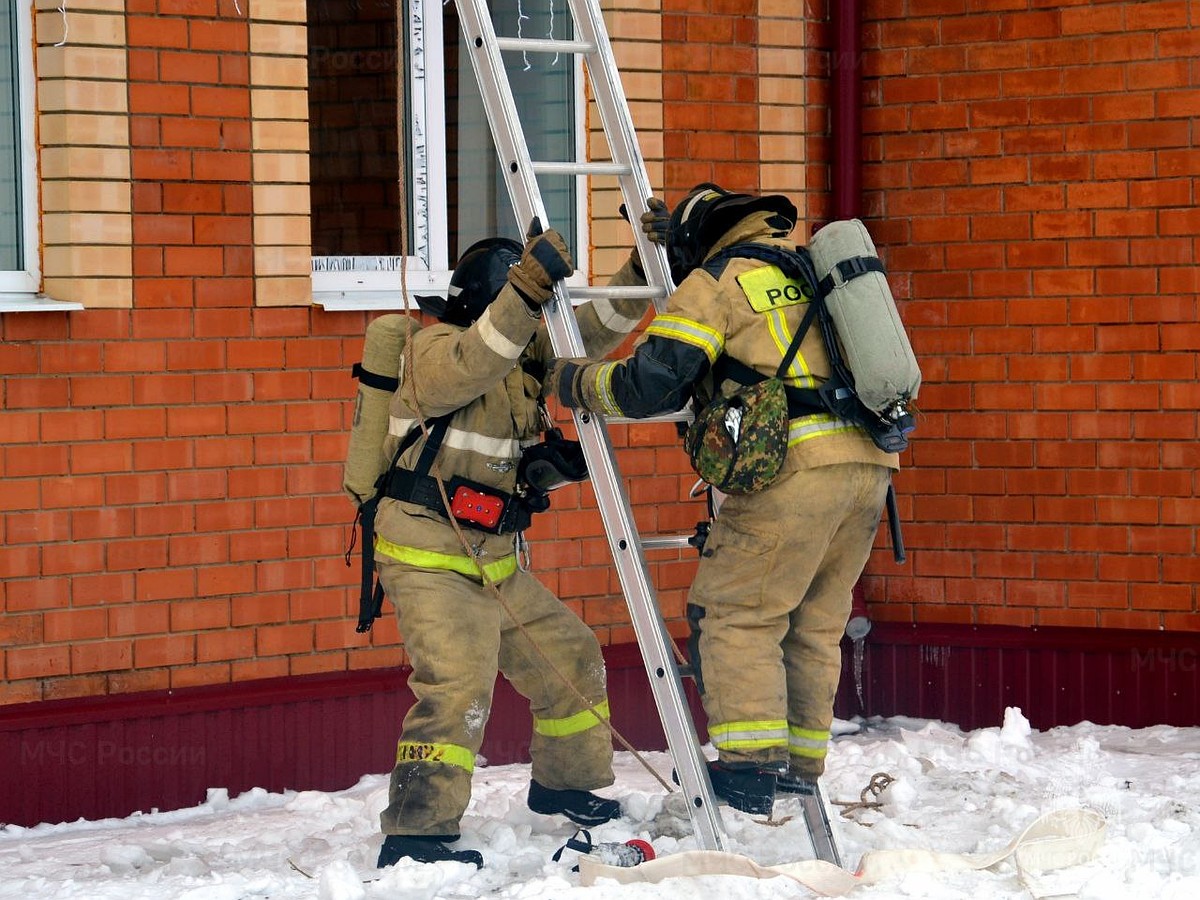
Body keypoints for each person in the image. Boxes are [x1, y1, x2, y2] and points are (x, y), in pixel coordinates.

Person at [545, 184, 899, 816]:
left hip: (792, 471)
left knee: (735, 613)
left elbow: (648, 384)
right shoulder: (810, 271)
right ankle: (799, 765)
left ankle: (747, 768)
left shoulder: (721, 279)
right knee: (814, 623)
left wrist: (576, 380)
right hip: (868, 468)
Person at [370, 220, 658, 868]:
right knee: (457, 686)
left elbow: (584, 337)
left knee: (572, 655)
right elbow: (479, 360)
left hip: (490, 558)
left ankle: (565, 785)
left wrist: (642, 271)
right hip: (428, 558)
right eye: (525, 306)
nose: (532, 324)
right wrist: (530, 284)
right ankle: (416, 832)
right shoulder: (432, 351)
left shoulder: (519, 359)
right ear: (495, 299)